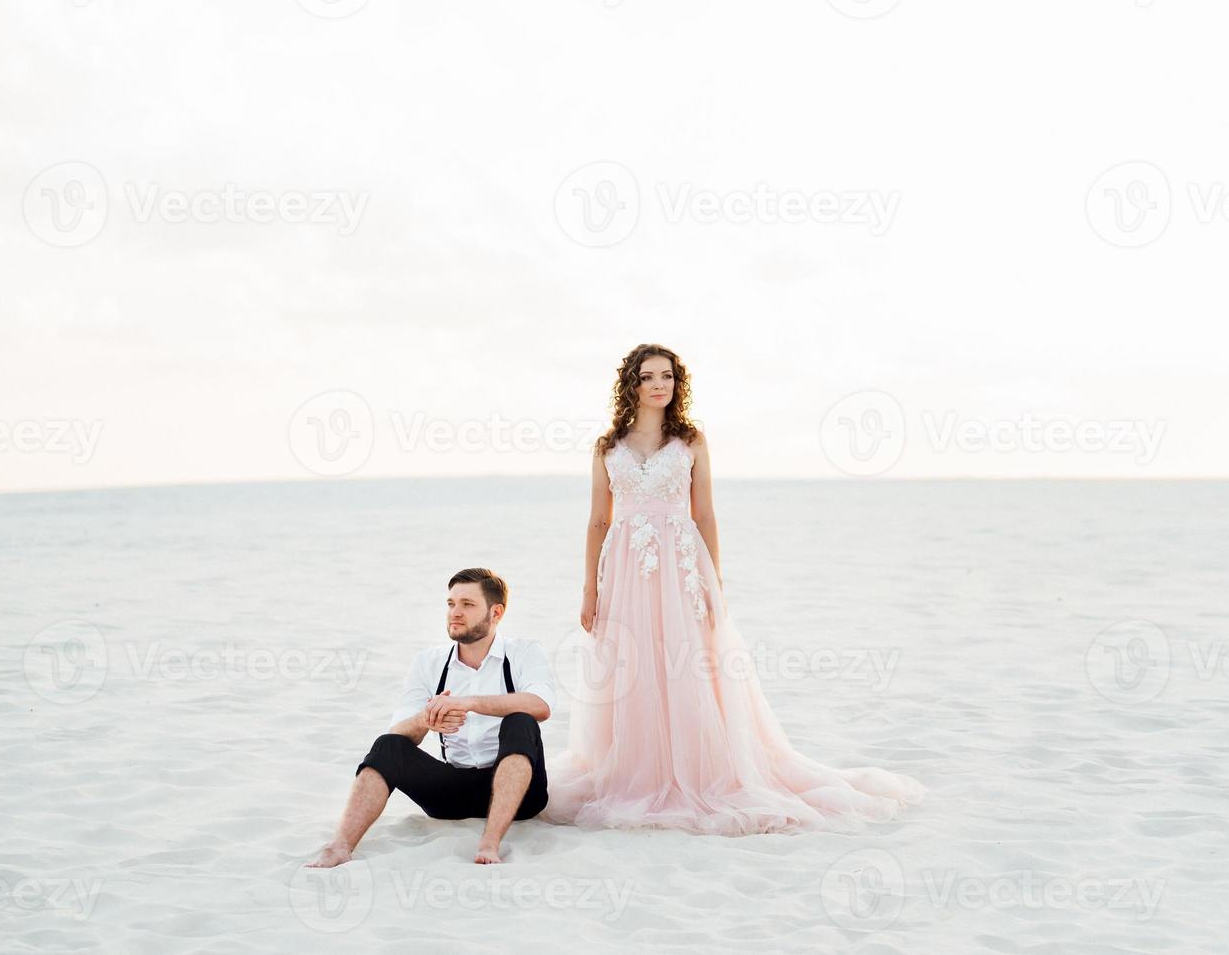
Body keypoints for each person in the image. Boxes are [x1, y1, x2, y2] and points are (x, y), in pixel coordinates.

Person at [543, 344, 926, 835]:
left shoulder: (691, 441)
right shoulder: (606, 447)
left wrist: (713, 582)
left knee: (686, 662)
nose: (659, 385)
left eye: (667, 376)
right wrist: (588, 591)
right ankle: (636, 769)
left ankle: (695, 770)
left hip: (680, 565)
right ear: (631, 385)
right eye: (648, 377)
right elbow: (599, 519)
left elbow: (703, 515)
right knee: (632, 664)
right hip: (622, 567)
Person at [308, 568, 555, 866]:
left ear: (496, 612)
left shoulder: (524, 652)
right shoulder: (429, 662)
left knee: (521, 720)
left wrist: (470, 703)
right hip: (452, 794)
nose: (456, 613)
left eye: (468, 604)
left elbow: (540, 704)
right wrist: (426, 720)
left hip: (521, 797)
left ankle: (489, 843)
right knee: (388, 746)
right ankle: (340, 846)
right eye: (451, 604)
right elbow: (399, 731)